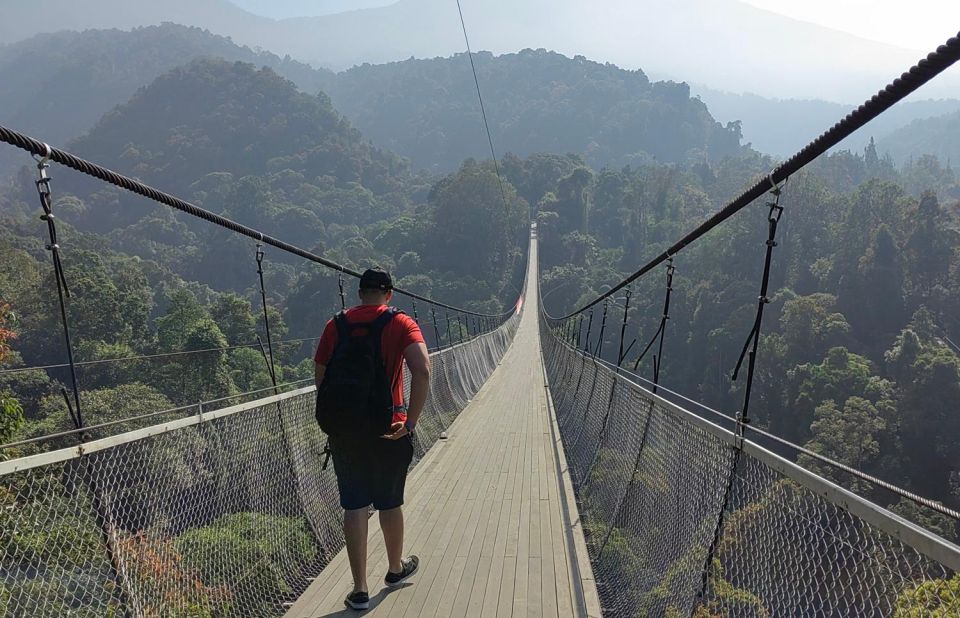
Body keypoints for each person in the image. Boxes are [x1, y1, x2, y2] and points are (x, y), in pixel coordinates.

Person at [314, 267, 431, 611]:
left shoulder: (335, 324)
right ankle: (395, 570)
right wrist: (410, 422)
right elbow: (423, 370)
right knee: (389, 502)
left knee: (354, 505)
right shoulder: (400, 323)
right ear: (389, 294)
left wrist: (344, 418)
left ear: (359, 292)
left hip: (346, 433)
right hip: (390, 428)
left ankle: (360, 589)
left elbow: (321, 378)